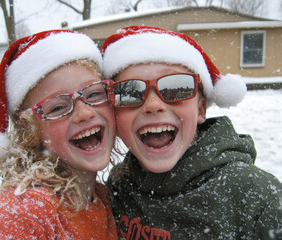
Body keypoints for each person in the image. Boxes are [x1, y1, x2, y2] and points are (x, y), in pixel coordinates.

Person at [101, 25, 282, 239]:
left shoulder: (259, 198)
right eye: (129, 92)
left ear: (201, 108)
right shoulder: (118, 188)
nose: (153, 104)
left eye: (176, 88)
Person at [0, 30, 118, 239]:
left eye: (94, 94)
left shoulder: (102, 196)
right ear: (30, 130)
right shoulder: (21, 215)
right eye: (57, 108)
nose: (85, 113)